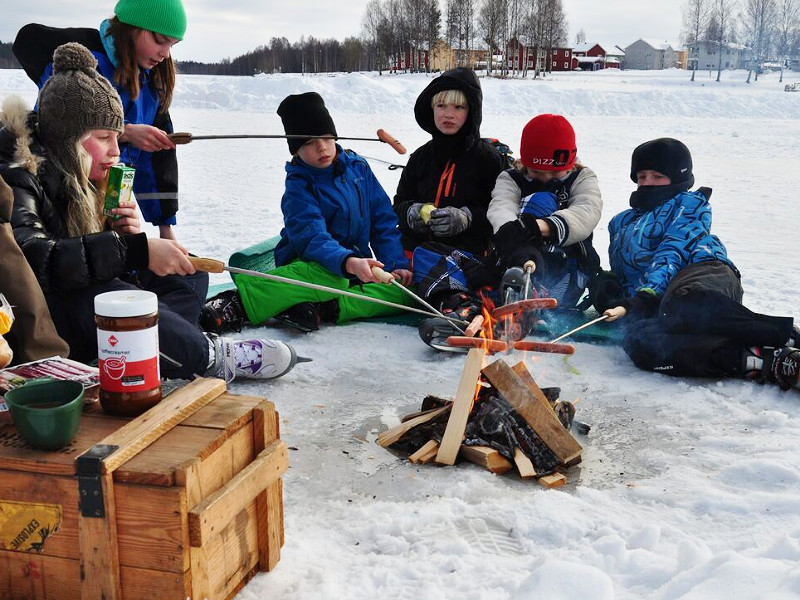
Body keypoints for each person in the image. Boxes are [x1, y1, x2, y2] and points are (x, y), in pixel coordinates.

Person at [0, 43, 300, 382]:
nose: (116, 151)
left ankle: (155, 346)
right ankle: (206, 356)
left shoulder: (89, 174)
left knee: (189, 272)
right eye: (103, 138)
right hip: (45, 318)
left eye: (118, 137)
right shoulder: (19, 174)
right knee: (113, 299)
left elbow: (100, 260)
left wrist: (122, 235)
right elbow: (36, 262)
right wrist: (133, 251)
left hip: (87, 298)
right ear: (67, 139)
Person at [200, 92, 413, 334]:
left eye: (325, 138)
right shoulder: (299, 185)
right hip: (312, 264)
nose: (322, 148)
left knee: (403, 289)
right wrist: (347, 262)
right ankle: (239, 303)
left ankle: (325, 307)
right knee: (334, 279)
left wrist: (394, 264)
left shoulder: (358, 169)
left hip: (357, 264)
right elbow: (313, 238)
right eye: (309, 143)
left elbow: (382, 221)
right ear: (296, 151)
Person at [598, 137, 799, 391]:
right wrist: (612, 289)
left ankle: (786, 334)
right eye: (642, 176)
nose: (647, 183)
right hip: (661, 303)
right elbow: (629, 271)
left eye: (657, 176)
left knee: (681, 302)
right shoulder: (622, 222)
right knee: (640, 342)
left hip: (703, 273)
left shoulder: (689, 206)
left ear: (678, 178)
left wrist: (646, 295)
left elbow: (671, 253)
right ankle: (759, 361)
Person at [13, 0, 186, 240]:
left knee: (183, 276)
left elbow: (158, 162)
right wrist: (124, 132)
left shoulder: (152, 85)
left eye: (172, 44)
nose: (166, 53)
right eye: (159, 39)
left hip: (113, 199)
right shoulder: (86, 63)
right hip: (64, 200)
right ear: (131, 27)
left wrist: (165, 230)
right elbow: (62, 124)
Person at [392, 67, 506, 326]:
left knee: (440, 263)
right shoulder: (419, 158)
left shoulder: (488, 159)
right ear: (431, 110)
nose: (448, 115)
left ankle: (458, 306)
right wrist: (411, 211)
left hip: (466, 253)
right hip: (416, 251)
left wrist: (466, 218)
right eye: (441, 106)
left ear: (472, 112)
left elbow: (502, 212)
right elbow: (399, 202)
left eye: (458, 107)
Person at [488, 114, 602, 309]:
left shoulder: (582, 177)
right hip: (519, 257)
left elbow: (587, 210)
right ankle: (514, 291)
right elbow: (501, 206)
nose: (547, 178)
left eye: (555, 172)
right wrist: (513, 230)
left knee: (544, 200)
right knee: (507, 234)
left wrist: (541, 226)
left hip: (567, 263)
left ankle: (547, 299)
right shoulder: (511, 178)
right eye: (537, 172)